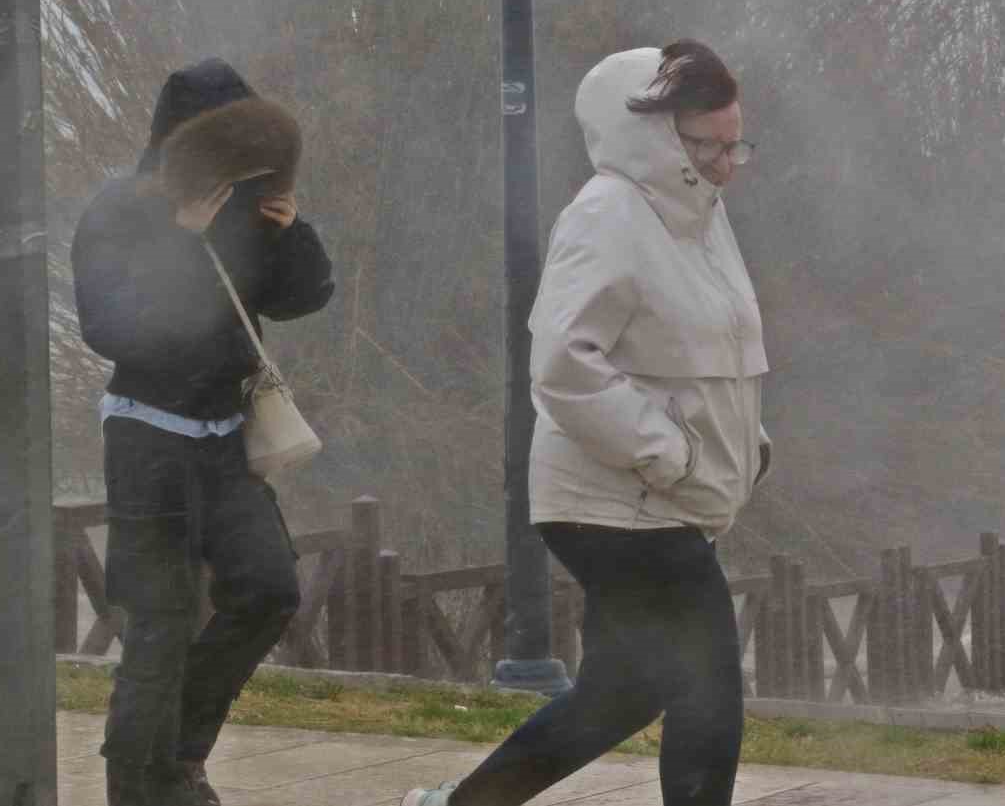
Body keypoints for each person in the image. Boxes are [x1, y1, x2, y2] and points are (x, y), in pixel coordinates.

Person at [404, 41, 772, 806]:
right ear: (659, 135)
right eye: (709, 144)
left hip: (657, 495)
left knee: (625, 691)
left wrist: (745, 443)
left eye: (737, 142)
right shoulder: (607, 212)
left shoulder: (701, 213)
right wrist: (672, 453)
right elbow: (565, 364)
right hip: (619, 500)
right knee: (708, 683)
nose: (727, 161)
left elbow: (708, 346)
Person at [71, 57, 335, 806]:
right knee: (157, 622)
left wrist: (291, 231)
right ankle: (139, 786)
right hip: (146, 439)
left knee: (269, 587)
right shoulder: (118, 209)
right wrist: (183, 239)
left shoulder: (246, 206)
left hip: (224, 439)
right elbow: (113, 328)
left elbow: (303, 297)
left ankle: (179, 753)